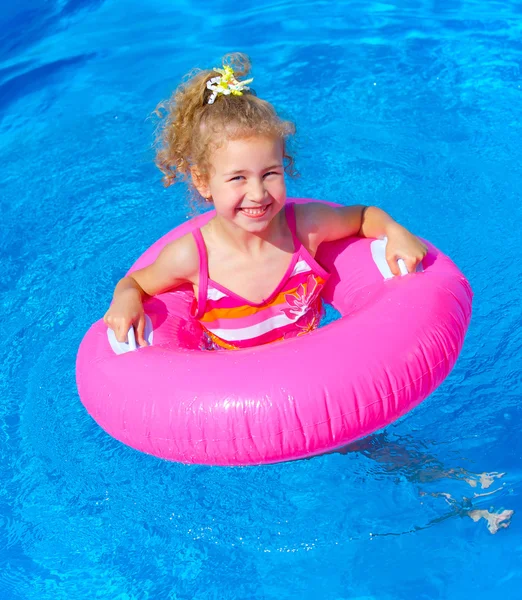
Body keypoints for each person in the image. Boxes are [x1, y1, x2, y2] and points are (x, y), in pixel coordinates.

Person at [104, 52, 427, 350]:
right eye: (238, 178)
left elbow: (361, 215)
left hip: (318, 362)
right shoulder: (191, 258)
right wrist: (125, 299)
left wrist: (395, 231)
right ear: (203, 181)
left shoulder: (305, 227)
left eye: (270, 173)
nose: (258, 193)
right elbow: (135, 283)